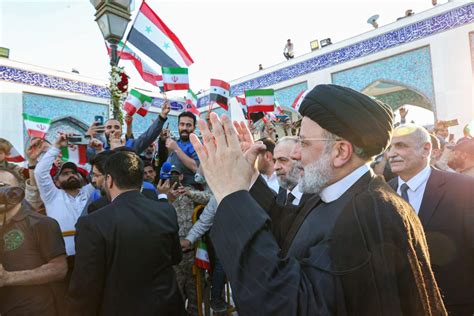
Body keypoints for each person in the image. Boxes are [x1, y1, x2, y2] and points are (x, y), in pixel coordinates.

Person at [189, 84, 446, 315]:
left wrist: (232, 197)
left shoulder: (368, 216)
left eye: (303, 142)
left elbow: (290, 305)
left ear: (340, 152)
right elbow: (283, 230)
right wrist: (249, 182)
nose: (296, 154)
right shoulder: (332, 193)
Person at [68, 151, 184, 315]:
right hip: (166, 307)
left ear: (109, 180)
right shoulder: (165, 210)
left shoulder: (92, 223)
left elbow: (85, 287)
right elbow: (175, 257)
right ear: (140, 181)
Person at [387, 124, 474, 315]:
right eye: (389, 147)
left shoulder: (464, 188)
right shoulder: (381, 193)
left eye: (401, 146)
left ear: (426, 149)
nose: (391, 154)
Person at [0, 167, 67, 315]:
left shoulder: (41, 223)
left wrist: (9, 278)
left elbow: (59, 268)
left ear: (18, 191)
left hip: (35, 310)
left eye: (3, 187)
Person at [35, 133, 95, 257]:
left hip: (92, 255)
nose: (71, 175)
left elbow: (103, 173)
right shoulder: (52, 196)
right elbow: (40, 172)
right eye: (65, 173)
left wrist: (99, 150)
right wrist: (56, 146)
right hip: (63, 258)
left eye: (74, 172)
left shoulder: (90, 192)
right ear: (56, 181)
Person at [86, 101, 170, 155]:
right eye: (109, 127)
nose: (113, 130)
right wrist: (88, 137)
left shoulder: (130, 146)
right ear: (104, 130)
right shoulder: (97, 147)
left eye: (116, 127)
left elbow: (148, 136)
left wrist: (162, 116)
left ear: (121, 131)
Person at [165, 112, 200, 186]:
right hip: (170, 189)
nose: (184, 128)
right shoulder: (175, 143)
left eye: (189, 125)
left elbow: (196, 168)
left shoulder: (197, 145)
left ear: (194, 127)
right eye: (182, 124)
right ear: (178, 126)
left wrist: (176, 149)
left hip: (190, 191)